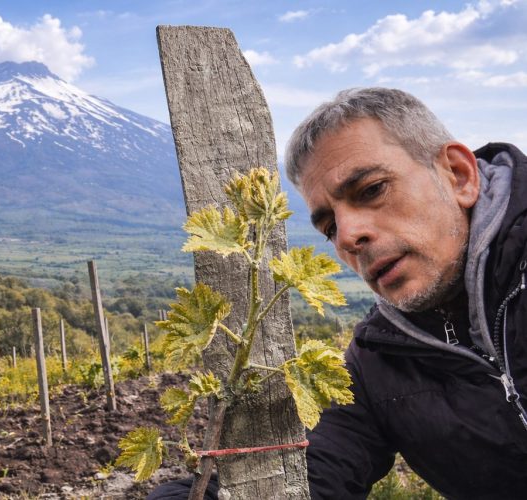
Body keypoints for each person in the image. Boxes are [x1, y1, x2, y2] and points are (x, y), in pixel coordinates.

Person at [148, 87, 527, 499]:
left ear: (458, 175)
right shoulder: (378, 362)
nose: (348, 236)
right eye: (328, 227)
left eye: (371, 190)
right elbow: (309, 474)